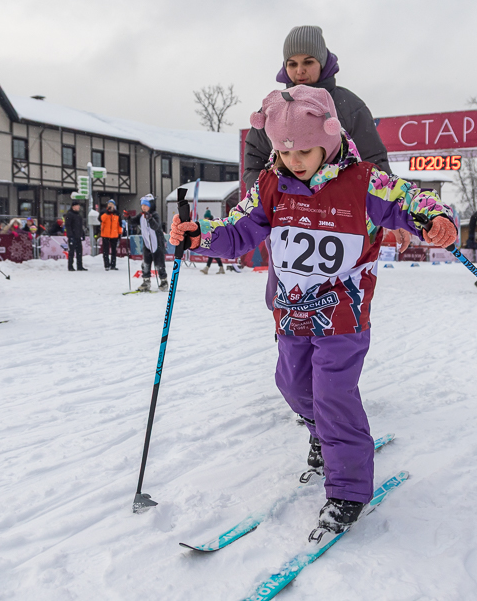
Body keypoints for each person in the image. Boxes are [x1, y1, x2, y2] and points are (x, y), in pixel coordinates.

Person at [169, 86, 457, 535]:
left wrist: (435, 219)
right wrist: (199, 236)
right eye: (285, 152)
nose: (295, 160)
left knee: (333, 395)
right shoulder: (271, 183)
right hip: (291, 312)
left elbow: (410, 200)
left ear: (330, 138)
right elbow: (238, 228)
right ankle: (321, 434)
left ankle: (347, 490)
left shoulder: (364, 181)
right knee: (292, 385)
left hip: (343, 313)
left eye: (305, 149)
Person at [242, 25, 412, 254]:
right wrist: (267, 203)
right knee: (285, 288)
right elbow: (254, 159)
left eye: (308, 62)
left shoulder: (349, 106)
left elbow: (374, 162)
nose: (300, 70)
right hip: (289, 226)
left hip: (342, 223)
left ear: (322, 62)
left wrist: (396, 213)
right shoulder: (274, 109)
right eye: (292, 64)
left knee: (343, 287)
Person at [137, 193, 167, 291]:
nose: (143, 207)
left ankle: (163, 282)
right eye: (142, 205)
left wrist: (150, 219)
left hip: (157, 243)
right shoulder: (141, 216)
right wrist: (128, 218)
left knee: (159, 264)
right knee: (146, 263)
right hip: (147, 244)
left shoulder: (155, 215)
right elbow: (133, 221)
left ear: (150, 206)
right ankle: (146, 282)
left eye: (145, 205)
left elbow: (156, 226)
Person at [64, 200, 87, 271]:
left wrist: (82, 234)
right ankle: (70, 266)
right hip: (73, 236)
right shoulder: (69, 214)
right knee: (71, 252)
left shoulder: (78, 215)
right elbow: (68, 226)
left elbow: (80, 226)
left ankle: (79, 266)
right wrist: (70, 236)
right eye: (77, 205)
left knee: (79, 251)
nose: (79, 207)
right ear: (73, 207)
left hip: (78, 236)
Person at [100, 199, 121, 270]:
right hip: (105, 234)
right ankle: (106, 265)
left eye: (112, 204)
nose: (110, 205)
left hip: (114, 235)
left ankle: (113, 265)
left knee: (114, 251)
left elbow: (119, 224)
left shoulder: (117, 213)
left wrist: (120, 233)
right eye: (109, 204)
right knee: (105, 250)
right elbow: (101, 219)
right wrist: (107, 212)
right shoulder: (104, 212)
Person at [200, 209, 224, 274]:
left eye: (206, 217)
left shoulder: (212, 222)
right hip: (211, 241)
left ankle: (207, 268)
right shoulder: (207, 222)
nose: (205, 218)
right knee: (213, 254)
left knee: (212, 254)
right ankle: (221, 268)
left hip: (214, 240)